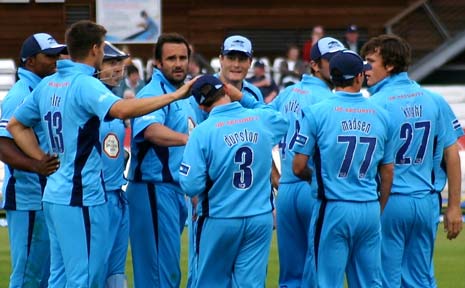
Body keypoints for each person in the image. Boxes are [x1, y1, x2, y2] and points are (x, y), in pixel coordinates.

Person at [6, 20, 197, 287]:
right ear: (96, 49)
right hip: (81, 196)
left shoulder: (48, 85)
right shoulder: (84, 83)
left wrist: (40, 158)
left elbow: (17, 125)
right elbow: (121, 110)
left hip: (54, 195)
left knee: (59, 277)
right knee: (84, 279)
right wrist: (174, 96)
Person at [360, 34, 462, 287]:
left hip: (390, 201)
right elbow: (452, 154)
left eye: (370, 61)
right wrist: (453, 207)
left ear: (390, 65)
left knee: (385, 280)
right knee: (421, 280)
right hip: (426, 202)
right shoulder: (434, 100)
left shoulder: (376, 105)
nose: (364, 68)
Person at [292, 50, 394, 287]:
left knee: (327, 281)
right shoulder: (382, 115)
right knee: (370, 282)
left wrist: (319, 180)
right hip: (368, 207)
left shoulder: (316, 112)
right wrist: (377, 207)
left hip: (334, 207)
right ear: (360, 76)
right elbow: (387, 172)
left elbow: (298, 167)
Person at [179, 74, 288, 287]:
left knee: (211, 282)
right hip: (259, 217)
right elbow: (282, 120)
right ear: (227, 91)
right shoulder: (260, 119)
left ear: (201, 108)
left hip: (220, 217)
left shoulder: (202, 132)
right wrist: (245, 98)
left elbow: (191, 185)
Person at [268, 36, 345, 287]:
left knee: (290, 276)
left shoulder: (288, 93)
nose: (337, 66)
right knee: (317, 272)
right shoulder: (330, 101)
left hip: (288, 189)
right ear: (314, 64)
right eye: (331, 60)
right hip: (314, 186)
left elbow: (262, 134)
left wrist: (276, 178)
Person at [125, 32, 198, 288]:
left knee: (167, 271)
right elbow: (151, 131)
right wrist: (189, 139)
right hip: (152, 189)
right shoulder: (153, 92)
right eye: (171, 58)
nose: (178, 63)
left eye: (182, 57)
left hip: (174, 190)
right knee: (159, 274)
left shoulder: (184, 93)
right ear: (157, 62)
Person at [0, 32, 64, 288]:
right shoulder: (19, 94)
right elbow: (2, 144)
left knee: (48, 274)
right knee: (28, 275)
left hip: (47, 195)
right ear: (30, 62)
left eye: (57, 54)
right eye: (49, 56)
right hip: (28, 197)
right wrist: (35, 166)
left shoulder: (44, 89)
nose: (55, 60)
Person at [97, 41, 131, 287]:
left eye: (120, 62)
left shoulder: (114, 102)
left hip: (117, 194)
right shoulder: (87, 101)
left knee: (116, 271)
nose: (118, 68)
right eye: (111, 62)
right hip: (95, 198)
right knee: (94, 270)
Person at [218, 35, 264, 103]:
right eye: (231, 58)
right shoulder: (205, 87)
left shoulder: (255, 93)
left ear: (250, 62)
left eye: (242, 59)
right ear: (221, 59)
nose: (236, 64)